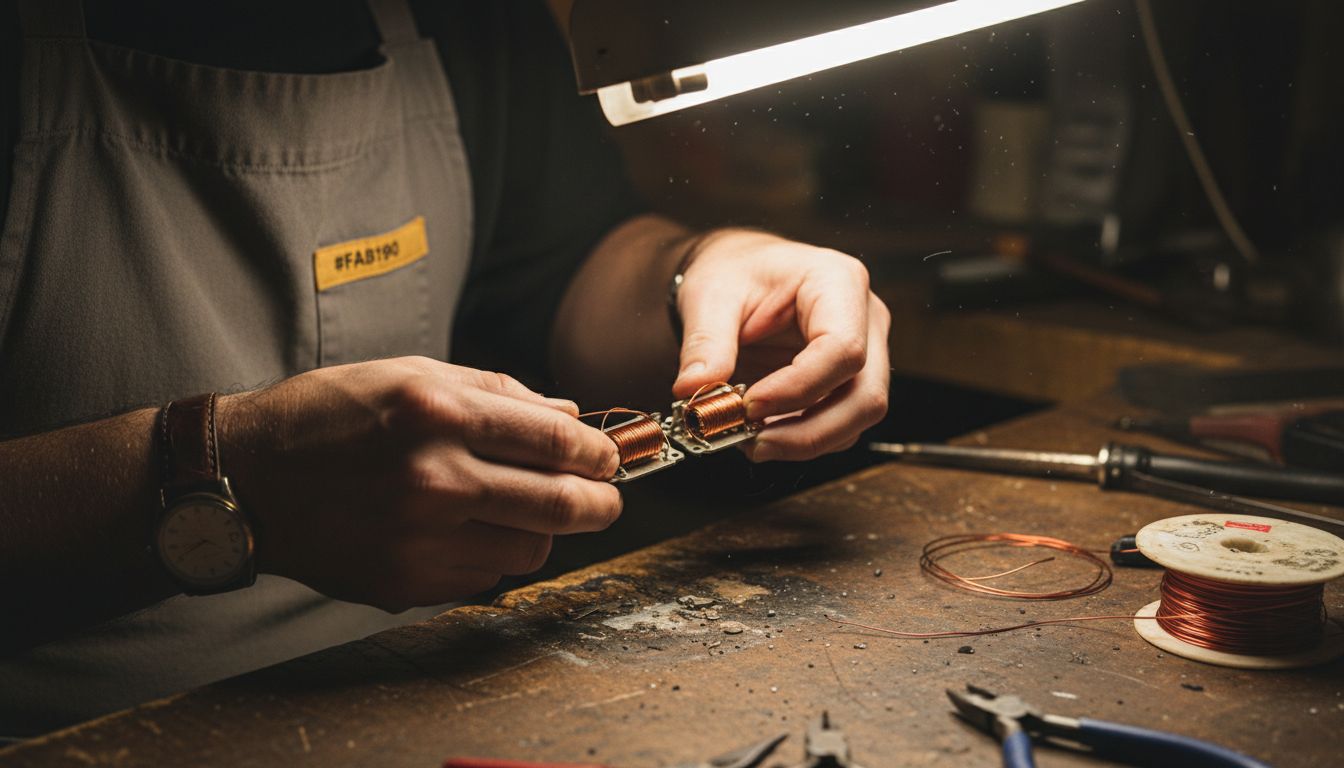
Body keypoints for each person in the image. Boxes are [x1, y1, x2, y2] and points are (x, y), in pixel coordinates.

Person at [0, 0, 890, 739]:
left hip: (410, 695)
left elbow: (565, 264)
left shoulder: (468, 18)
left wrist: (704, 271)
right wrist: (224, 477)